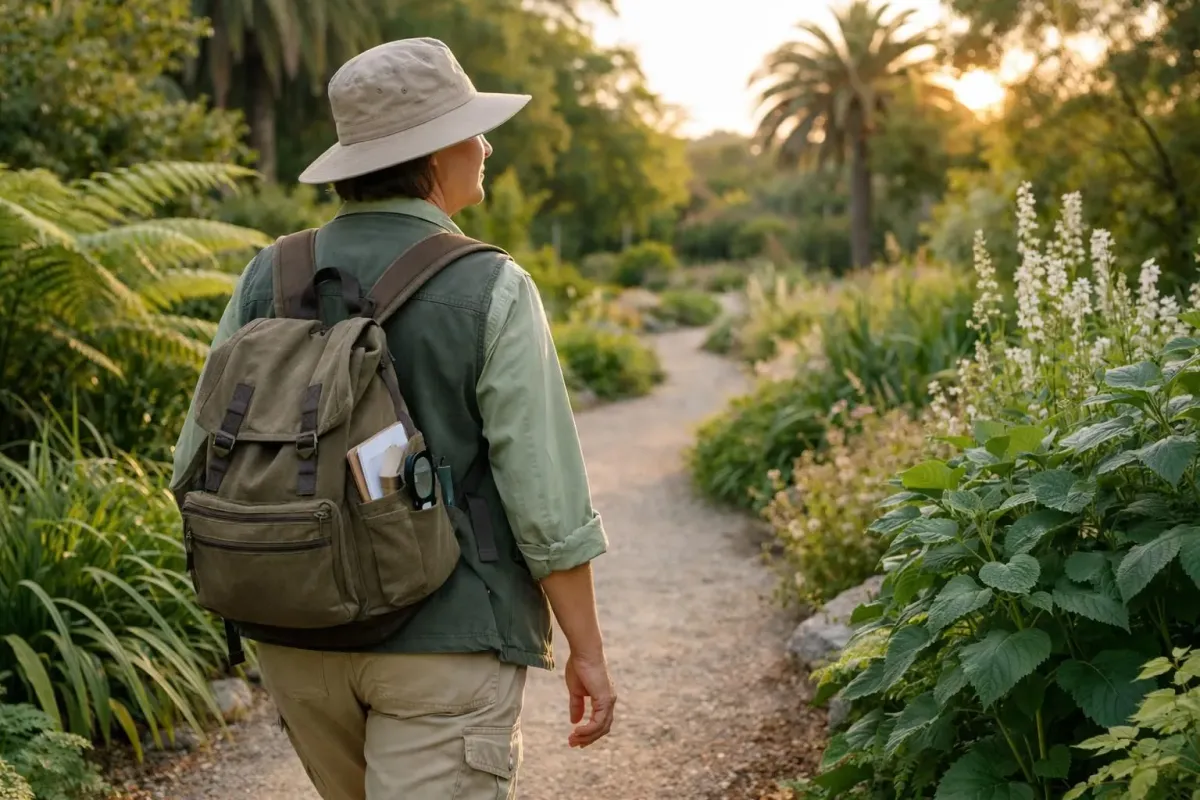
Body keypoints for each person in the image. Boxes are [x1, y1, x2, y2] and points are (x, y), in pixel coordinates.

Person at [169, 37, 616, 799]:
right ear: (435, 154)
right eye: (471, 129)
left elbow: (192, 460)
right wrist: (588, 650)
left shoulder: (267, 275)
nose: (485, 144)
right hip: (446, 640)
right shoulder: (493, 286)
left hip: (293, 633)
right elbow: (546, 500)